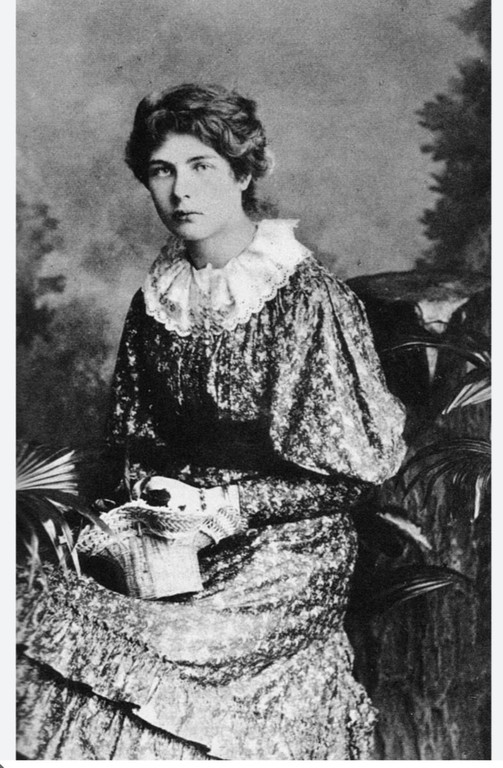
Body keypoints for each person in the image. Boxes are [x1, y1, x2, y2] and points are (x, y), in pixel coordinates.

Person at [103, 82, 407, 759]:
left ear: (242, 174)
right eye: (162, 171)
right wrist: (151, 499)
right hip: (178, 544)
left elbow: (351, 476)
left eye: (202, 166)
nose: (181, 190)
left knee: (166, 651)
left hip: (290, 549)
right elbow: (136, 440)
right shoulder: (154, 303)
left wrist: (231, 505)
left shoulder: (305, 298)